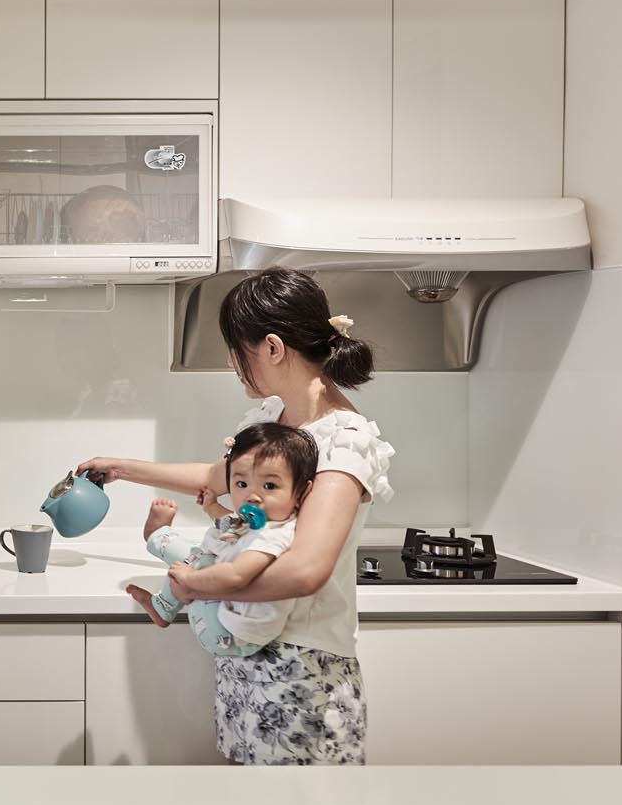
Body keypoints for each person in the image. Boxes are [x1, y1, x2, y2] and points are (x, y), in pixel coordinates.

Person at [81, 268, 394, 765]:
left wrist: (197, 586)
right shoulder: (278, 420)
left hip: (302, 671)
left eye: (235, 349)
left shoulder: (342, 442)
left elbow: (305, 570)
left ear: (272, 347)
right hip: (247, 652)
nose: (232, 363)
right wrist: (120, 467)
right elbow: (215, 476)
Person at [138, 419, 317, 659]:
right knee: (205, 550)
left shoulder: (274, 536)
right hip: (228, 621)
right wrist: (211, 506)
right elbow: (230, 523)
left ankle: (158, 538)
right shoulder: (264, 521)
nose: (252, 496)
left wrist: (190, 581)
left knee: (199, 561)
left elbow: (235, 576)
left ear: (302, 492)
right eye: (241, 483)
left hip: (229, 633)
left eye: (270, 485)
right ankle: (162, 595)